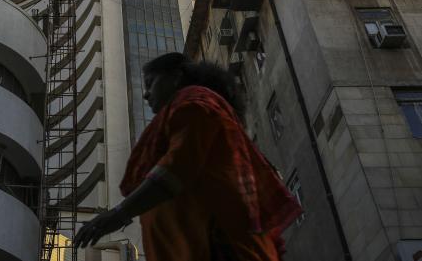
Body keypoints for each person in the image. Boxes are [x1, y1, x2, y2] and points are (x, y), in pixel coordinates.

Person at [74, 52, 302, 261]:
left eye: (151, 83)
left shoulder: (196, 103)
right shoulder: (187, 112)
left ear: (176, 76)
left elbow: (175, 171)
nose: (145, 94)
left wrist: (117, 215)